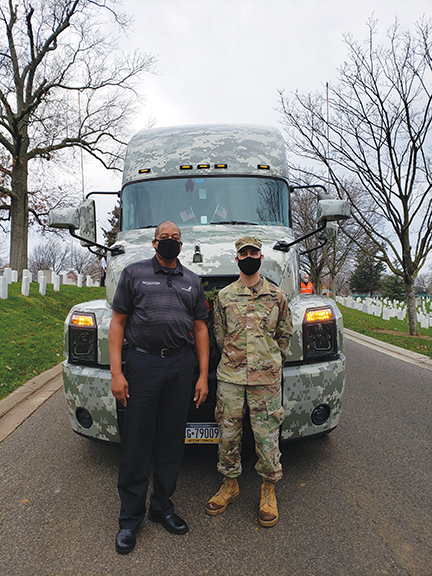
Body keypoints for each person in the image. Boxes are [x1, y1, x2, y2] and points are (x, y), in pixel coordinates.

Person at [109, 220, 209, 554]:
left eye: (175, 238)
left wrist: (202, 375)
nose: (169, 242)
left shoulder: (192, 281)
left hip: (180, 366)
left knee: (170, 440)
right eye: (164, 238)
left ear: (182, 245)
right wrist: (116, 373)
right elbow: (118, 323)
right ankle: (129, 519)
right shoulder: (134, 274)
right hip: (142, 364)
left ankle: (162, 506)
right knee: (137, 440)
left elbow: (200, 330)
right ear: (154, 243)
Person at [205, 236, 292, 527]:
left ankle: (268, 489)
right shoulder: (225, 297)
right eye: (244, 253)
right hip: (231, 377)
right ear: (237, 258)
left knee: (267, 438)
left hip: (265, 379)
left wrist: (266, 360)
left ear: (261, 257)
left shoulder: (277, 297)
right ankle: (230, 484)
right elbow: (220, 337)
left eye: (254, 252)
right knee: (228, 435)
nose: (249, 256)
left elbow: (284, 337)